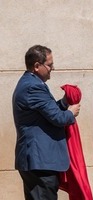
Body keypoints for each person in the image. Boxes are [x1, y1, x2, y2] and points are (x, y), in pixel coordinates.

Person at [12, 45, 80, 200]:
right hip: (40, 162)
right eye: (49, 65)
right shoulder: (33, 86)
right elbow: (58, 118)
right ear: (37, 66)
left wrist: (63, 103)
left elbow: (46, 112)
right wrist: (71, 113)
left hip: (39, 161)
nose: (52, 68)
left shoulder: (31, 83)